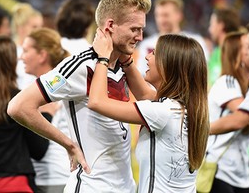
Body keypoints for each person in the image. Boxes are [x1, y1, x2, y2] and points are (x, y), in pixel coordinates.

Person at [7, 0, 151, 193]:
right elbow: (18, 106)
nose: (139, 36)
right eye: (134, 29)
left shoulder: (122, 64)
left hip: (124, 186)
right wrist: (68, 144)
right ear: (110, 25)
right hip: (91, 186)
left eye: (141, 30)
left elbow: (149, 99)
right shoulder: (81, 66)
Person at [88, 30, 209, 192]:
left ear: (168, 66)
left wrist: (102, 57)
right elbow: (145, 94)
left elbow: (97, 102)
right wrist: (124, 55)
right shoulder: (183, 107)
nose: (147, 57)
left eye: (154, 53)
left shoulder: (163, 112)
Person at [0, 35, 49, 192]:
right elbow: (39, 150)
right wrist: (46, 114)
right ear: (10, 64)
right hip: (15, 184)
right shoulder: (18, 100)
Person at [209, 21, 249, 191]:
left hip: (239, 167)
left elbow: (243, 119)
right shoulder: (227, 82)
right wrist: (200, 131)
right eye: (244, 47)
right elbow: (244, 118)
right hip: (220, 166)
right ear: (236, 54)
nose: (247, 52)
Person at [21, 27, 71, 193]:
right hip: (39, 177)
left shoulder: (58, 85)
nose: (21, 57)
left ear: (42, 55)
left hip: (56, 178)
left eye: (26, 51)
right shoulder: (36, 88)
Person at [136, 0, 209, 76]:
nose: (161, 20)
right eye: (158, 15)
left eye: (165, 15)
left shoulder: (195, 42)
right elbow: (141, 74)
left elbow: (203, 72)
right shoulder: (147, 44)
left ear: (179, 15)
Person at [11, 3, 44, 89]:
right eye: (34, 27)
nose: (40, 31)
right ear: (20, 28)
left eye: (41, 27)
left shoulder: (42, 52)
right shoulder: (10, 53)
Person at [208, 7, 241, 87]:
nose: (209, 29)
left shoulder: (237, 53)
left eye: (211, 24)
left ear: (220, 26)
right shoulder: (215, 53)